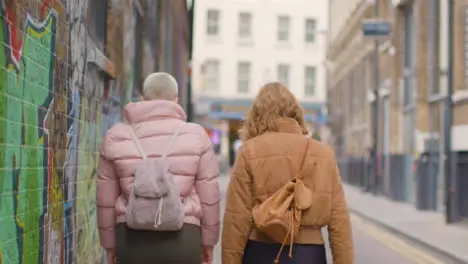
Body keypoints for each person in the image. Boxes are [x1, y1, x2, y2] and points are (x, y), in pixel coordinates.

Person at [222, 82, 354, 264]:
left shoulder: (248, 152)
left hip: (260, 252)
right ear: (296, 113)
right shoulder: (324, 154)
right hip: (309, 255)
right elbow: (339, 221)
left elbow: (236, 220)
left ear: (257, 116)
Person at [97, 72, 221, 264]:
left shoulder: (116, 136)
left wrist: (109, 245)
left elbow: (105, 199)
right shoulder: (196, 136)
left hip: (131, 239)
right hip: (184, 238)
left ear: (143, 99)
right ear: (176, 100)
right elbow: (209, 198)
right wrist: (208, 243)